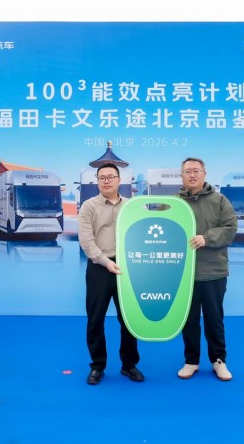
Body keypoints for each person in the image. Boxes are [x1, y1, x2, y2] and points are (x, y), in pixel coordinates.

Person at [78, 162, 143, 385]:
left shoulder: (131, 206)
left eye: (111, 177)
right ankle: (97, 366)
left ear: (119, 180)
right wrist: (106, 262)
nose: (106, 180)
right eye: (102, 177)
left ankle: (129, 365)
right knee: (95, 319)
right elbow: (87, 242)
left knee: (129, 319)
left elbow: (140, 235)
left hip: (127, 268)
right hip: (99, 268)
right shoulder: (88, 206)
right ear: (97, 181)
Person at [177, 157, 237, 381]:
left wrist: (207, 238)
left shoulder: (219, 200)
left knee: (214, 319)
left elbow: (230, 228)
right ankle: (191, 361)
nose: (192, 175)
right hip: (183, 273)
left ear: (204, 174)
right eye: (187, 171)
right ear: (181, 176)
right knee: (188, 320)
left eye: (196, 171)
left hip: (213, 272)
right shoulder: (175, 203)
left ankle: (219, 360)